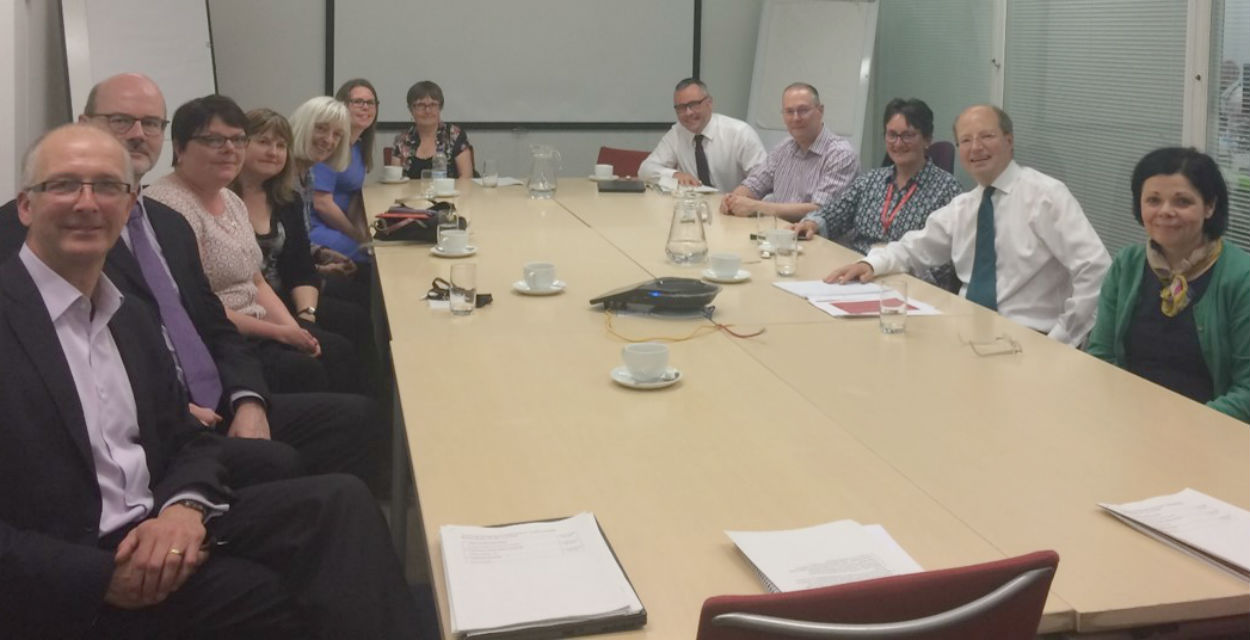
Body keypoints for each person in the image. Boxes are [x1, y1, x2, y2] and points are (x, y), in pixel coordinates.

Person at [0, 123, 420, 638]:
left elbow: (186, 439)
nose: (88, 203)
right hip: (74, 566)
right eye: (64, 185)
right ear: (25, 207)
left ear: (130, 205)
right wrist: (99, 577)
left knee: (340, 503)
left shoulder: (126, 316)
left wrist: (185, 508)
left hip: (157, 520)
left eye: (108, 187)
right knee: (282, 599)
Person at [0, 73, 384, 489]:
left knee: (359, 420)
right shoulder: (45, 230)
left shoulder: (165, 222)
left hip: (213, 390)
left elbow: (210, 319)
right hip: (142, 425)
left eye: (151, 124)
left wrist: (247, 396)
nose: (137, 134)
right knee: (296, 467)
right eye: (120, 120)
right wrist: (170, 405)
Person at [825, 104, 1111, 347]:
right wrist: (871, 264)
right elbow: (914, 247)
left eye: (987, 136)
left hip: (1028, 337)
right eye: (966, 140)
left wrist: (1060, 339)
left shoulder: (1046, 196)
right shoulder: (965, 205)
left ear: (1009, 140)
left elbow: (1096, 270)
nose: (976, 148)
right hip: (966, 334)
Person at [145, 95, 362, 397]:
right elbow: (198, 305)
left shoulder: (231, 199)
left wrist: (297, 329)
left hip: (262, 315)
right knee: (317, 365)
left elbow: (258, 278)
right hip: (224, 336)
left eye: (237, 140)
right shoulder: (166, 206)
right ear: (180, 148)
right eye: (214, 140)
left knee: (338, 347)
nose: (230, 150)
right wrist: (284, 333)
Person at [1086, 148, 1249, 422]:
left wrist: (1182, 426)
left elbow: (1247, 390)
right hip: (1129, 420)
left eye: (1182, 201)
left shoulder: (1241, 276)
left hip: (1209, 430)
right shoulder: (1127, 264)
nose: (1165, 212)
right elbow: (1101, 356)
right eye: (1153, 200)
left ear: (1209, 206)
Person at [234, 108, 379, 396]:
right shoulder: (222, 200)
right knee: (339, 344)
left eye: (279, 145)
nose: (273, 152)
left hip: (286, 296)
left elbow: (298, 265)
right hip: (249, 309)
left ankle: (372, 410)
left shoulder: (286, 198)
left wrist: (306, 317)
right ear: (241, 144)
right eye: (263, 142)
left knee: (354, 326)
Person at [794, 98, 961, 289]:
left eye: (908, 135)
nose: (898, 143)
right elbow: (834, 212)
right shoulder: (872, 179)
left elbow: (943, 262)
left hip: (904, 282)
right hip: (857, 272)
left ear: (927, 139)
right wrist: (811, 223)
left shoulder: (947, 190)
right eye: (892, 135)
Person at [721, 83, 859, 221]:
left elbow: (821, 209)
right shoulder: (783, 148)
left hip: (820, 238)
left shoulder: (841, 154)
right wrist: (733, 199)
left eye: (803, 110)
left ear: (820, 111)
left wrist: (758, 207)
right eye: (789, 111)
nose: (796, 118)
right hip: (781, 235)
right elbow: (754, 184)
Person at [288, 96, 369, 308]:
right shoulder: (283, 179)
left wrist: (323, 254)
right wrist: (321, 270)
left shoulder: (307, 175)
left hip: (303, 266)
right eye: (321, 129)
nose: (329, 140)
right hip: (288, 285)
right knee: (363, 299)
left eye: (337, 135)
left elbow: (297, 244)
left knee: (367, 283)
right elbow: (279, 256)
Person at [638, 78, 767, 190]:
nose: (688, 113)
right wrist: (674, 175)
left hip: (735, 209)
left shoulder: (740, 133)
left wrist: (742, 195)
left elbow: (764, 179)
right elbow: (645, 170)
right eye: (681, 108)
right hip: (692, 210)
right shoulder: (677, 133)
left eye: (693, 105)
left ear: (709, 103)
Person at [310, 78, 379, 265]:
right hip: (317, 228)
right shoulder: (329, 145)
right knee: (373, 261)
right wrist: (357, 235)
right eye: (358, 102)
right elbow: (322, 204)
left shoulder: (358, 147)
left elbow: (355, 196)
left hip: (341, 227)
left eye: (371, 103)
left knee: (382, 251)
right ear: (342, 105)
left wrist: (365, 233)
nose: (366, 107)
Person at [390, 80, 473, 179]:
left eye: (433, 105)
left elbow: (466, 176)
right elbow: (394, 180)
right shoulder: (402, 140)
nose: (427, 111)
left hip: (450, 193)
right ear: (411, 110)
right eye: (421, 105)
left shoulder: (455, 135)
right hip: (410, 195)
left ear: (440, 108)